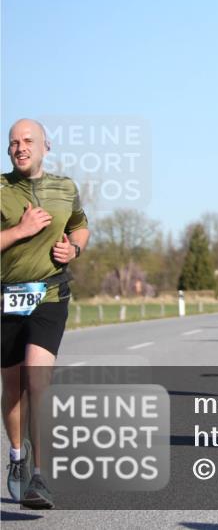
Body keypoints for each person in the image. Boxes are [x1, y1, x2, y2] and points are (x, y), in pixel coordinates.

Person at [2, 119, 90, 509]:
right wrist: (19, 231)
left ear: (45, 146)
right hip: (4, 299)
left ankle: (40, 476)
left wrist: (73, 248)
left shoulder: (65, 187)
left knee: (37, 381)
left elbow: (81, 226)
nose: (20, 148)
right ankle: (17, 456)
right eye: (13, 143)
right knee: (13, 387)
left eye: (27, 141)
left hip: (50, 296)